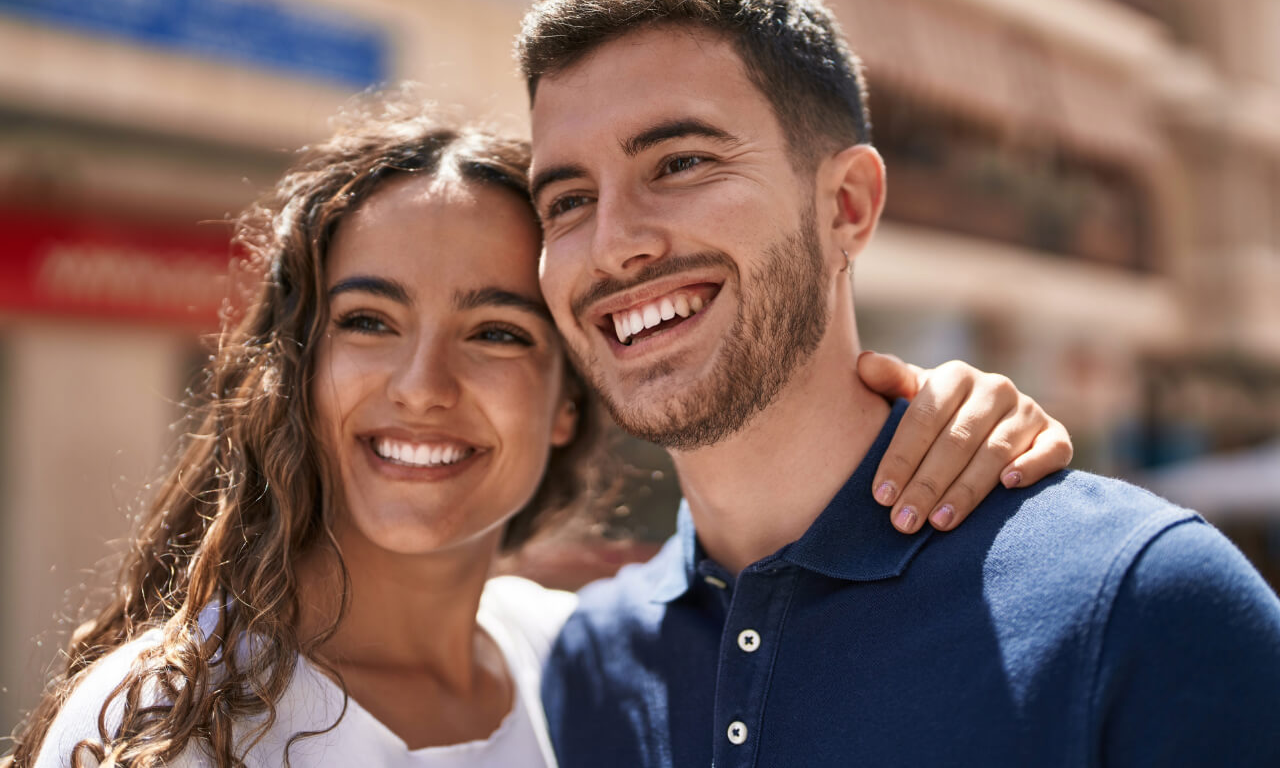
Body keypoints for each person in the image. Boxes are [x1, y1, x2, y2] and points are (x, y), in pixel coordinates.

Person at [5, 94, 1070, 768]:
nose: (422, 385)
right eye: (368, 321)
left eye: (496, 331)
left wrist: (942, 422)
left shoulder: (589, 664)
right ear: (300, 368)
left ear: (569, 397)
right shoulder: (156, 721)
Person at [517, 0, 1280, 767]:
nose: (612, 245)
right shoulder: (586, 669)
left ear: (847, 206)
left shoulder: (1140, 600)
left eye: (682, 163)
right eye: (568, 201)